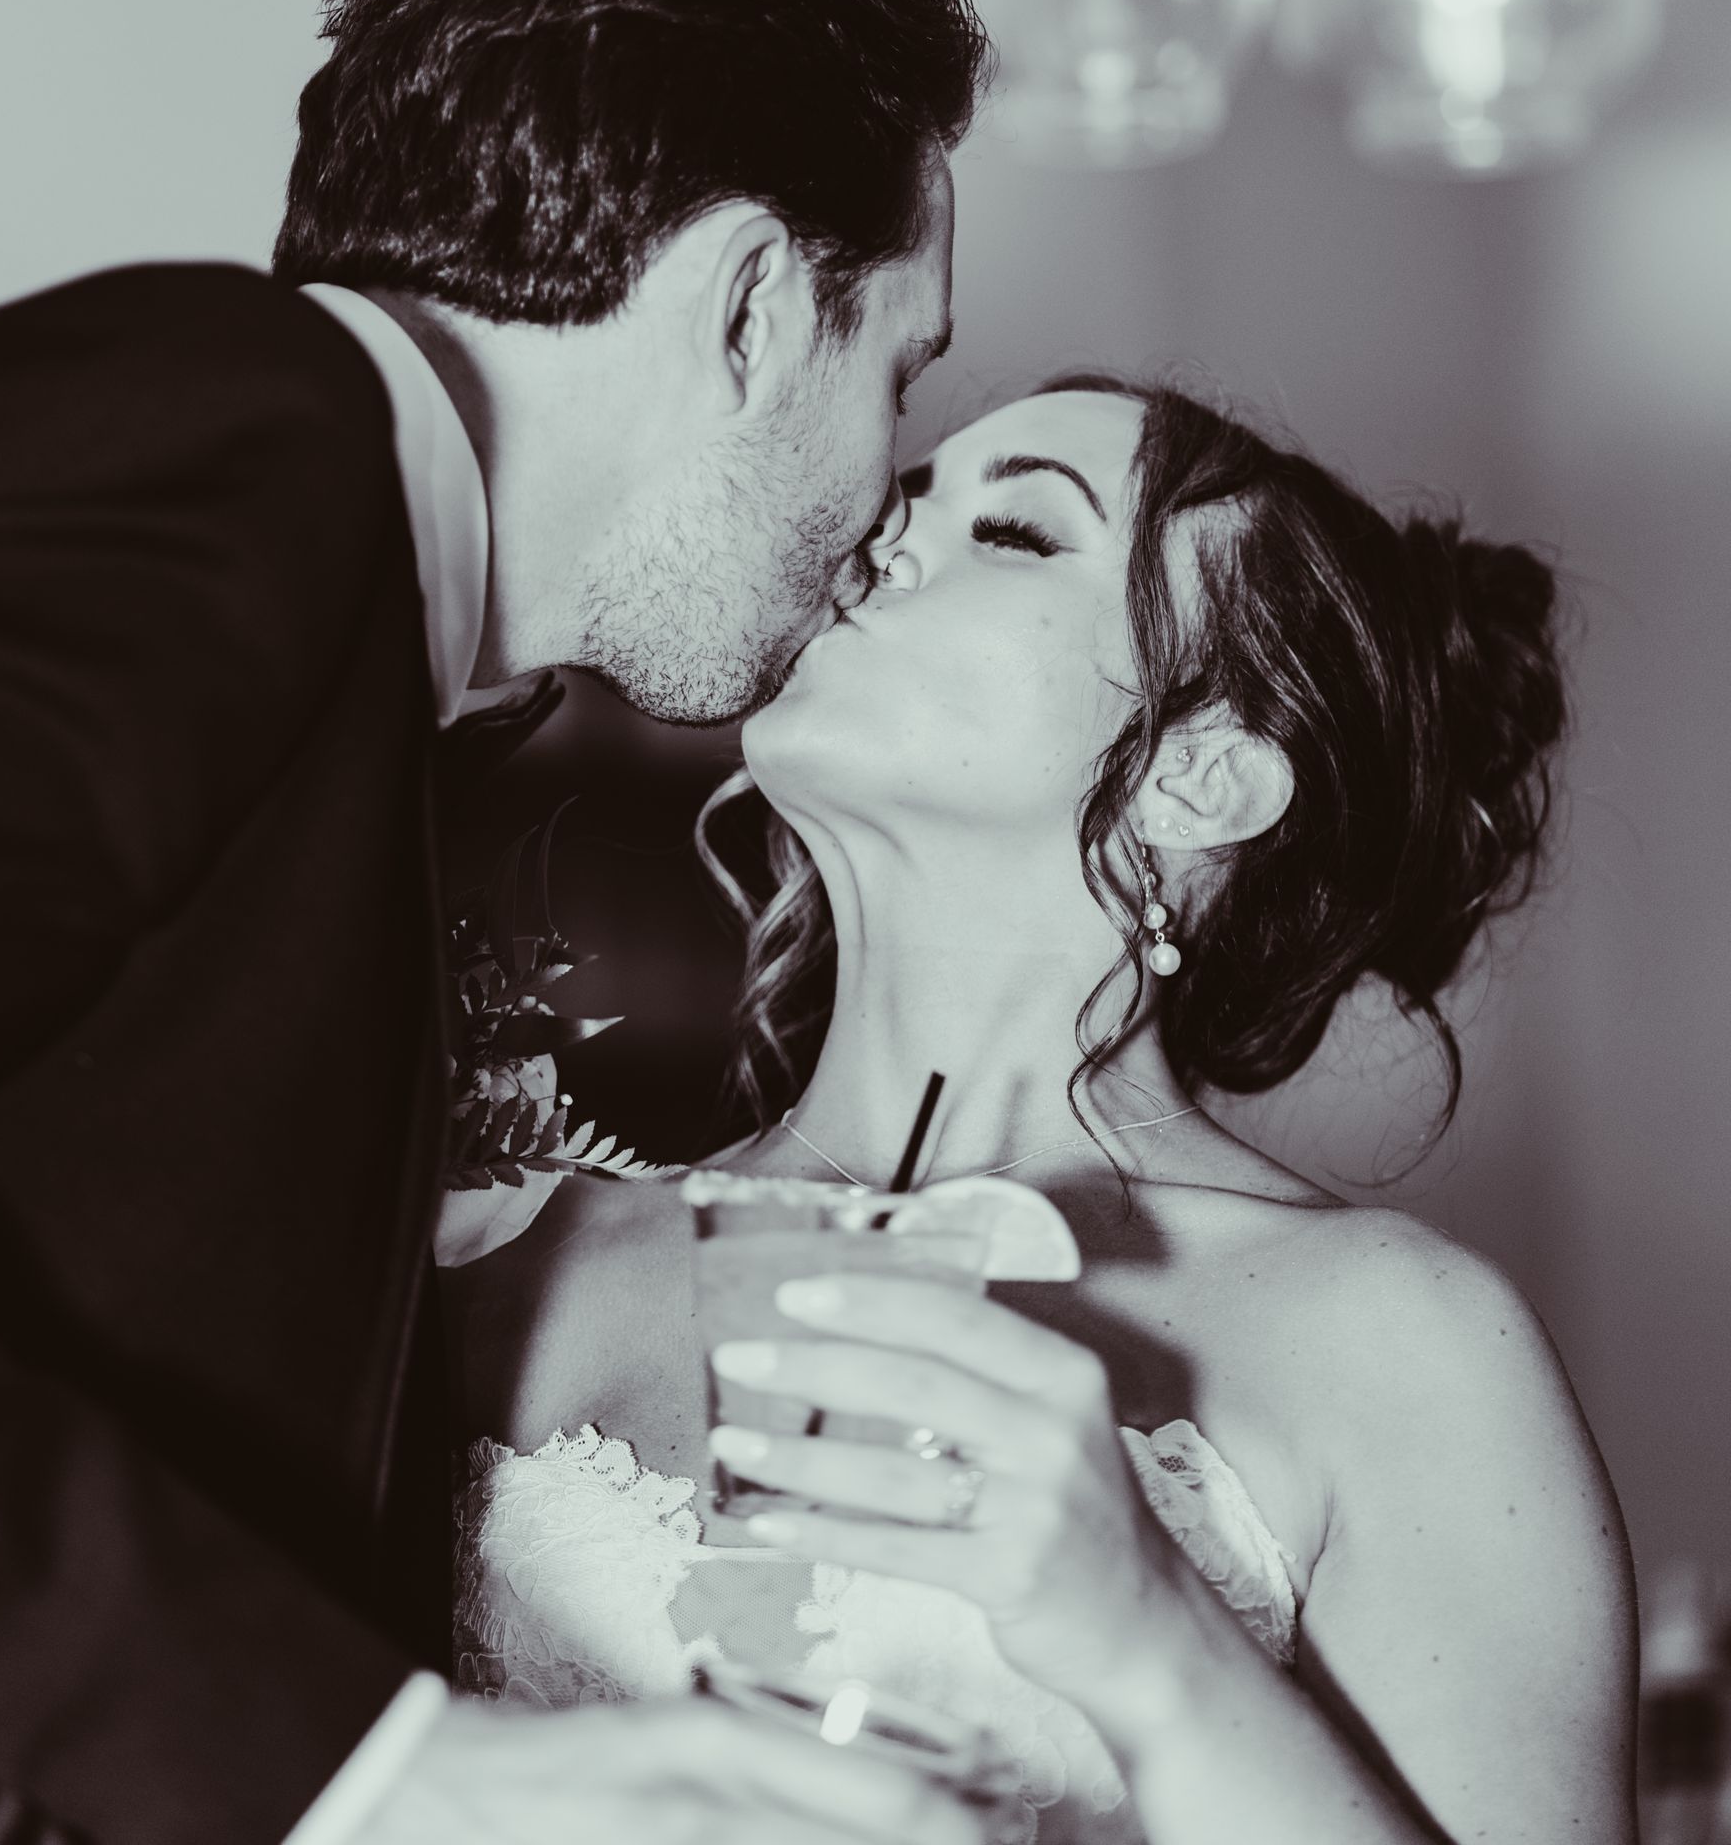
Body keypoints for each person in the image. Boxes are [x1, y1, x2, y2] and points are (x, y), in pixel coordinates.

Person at [0, 0, 989, 1845]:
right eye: (899, 374)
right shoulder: (229, 428)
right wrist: (378, 1776)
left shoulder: (371, 649)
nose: (888, 486)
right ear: (746, 314)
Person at [456, 376, 1639, 1844]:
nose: (869, 548)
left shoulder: (1397, 1339)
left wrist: (1150, 1630)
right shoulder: (517, 1263)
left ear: (1198, 778)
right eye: (901, 508)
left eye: (1012, 530)